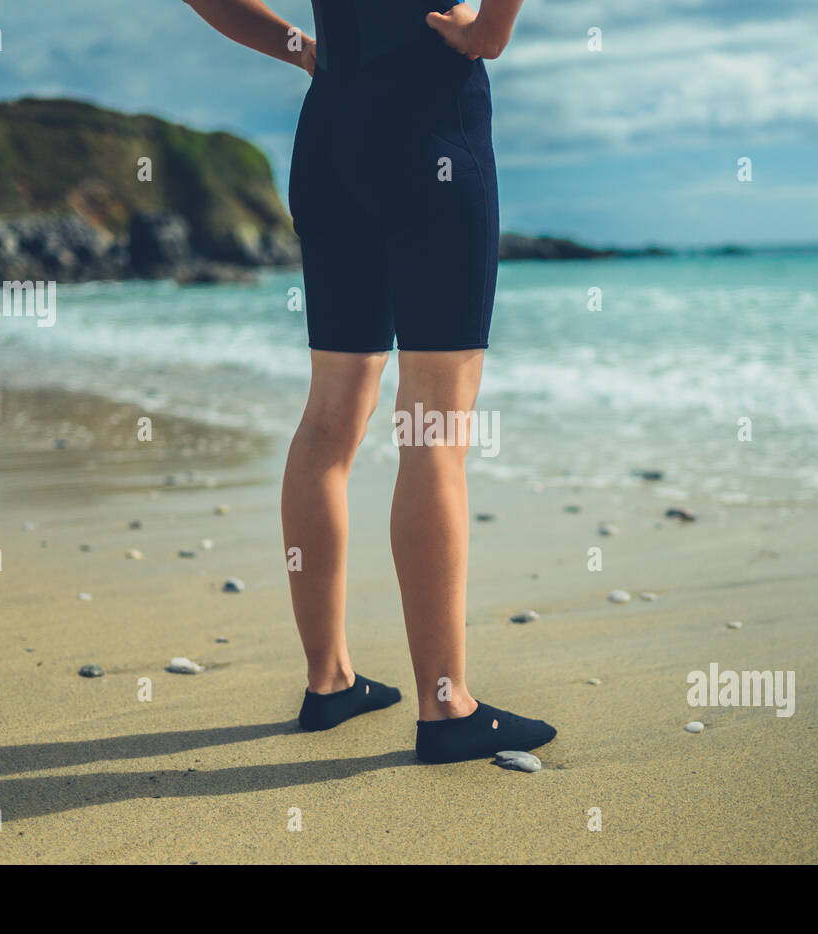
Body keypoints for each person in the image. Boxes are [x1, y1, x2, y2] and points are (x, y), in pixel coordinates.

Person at [183, 0, 555, 763]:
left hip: (332, 133)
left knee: (327, 422)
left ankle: (329, 682)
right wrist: (489, 32)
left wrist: (304, 49)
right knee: (433, 431)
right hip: (430, 115)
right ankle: (446, 707)